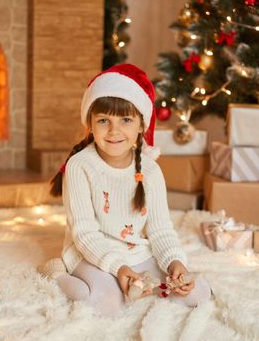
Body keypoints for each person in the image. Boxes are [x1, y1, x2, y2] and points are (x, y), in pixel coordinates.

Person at [40, 64, 211, 317]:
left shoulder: (150, 171)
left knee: (198, 294)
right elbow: (85, 234)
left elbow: (160, 230)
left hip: (136, 252)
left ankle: (138, 281)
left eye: (126, 120)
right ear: (90, 123)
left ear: (141, 125)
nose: (114, 131)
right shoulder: (80, 167)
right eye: (104, 120)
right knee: (109, 304)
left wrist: (175, 263)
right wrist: (118, 268)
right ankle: (56, 274)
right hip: (90, 252)